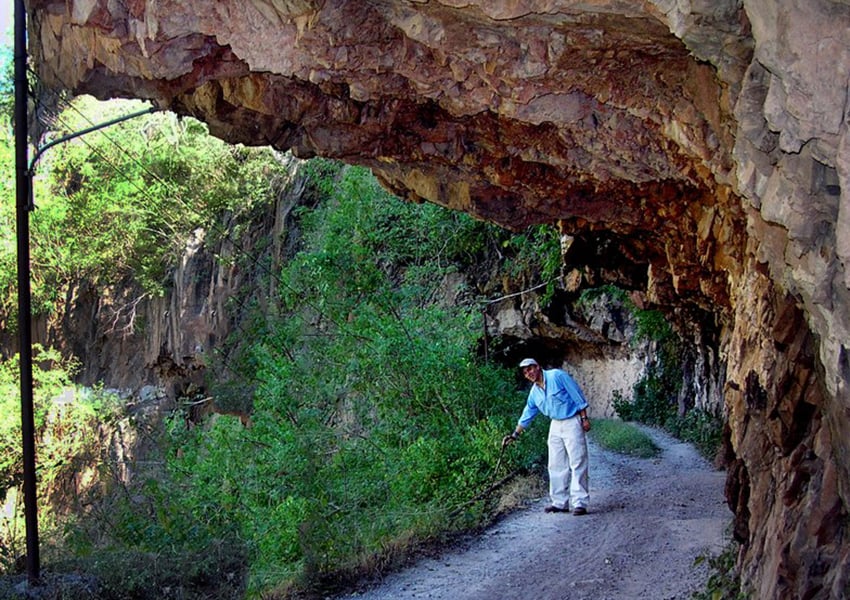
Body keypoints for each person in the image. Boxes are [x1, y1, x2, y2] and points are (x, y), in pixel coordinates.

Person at [502, 358, 591, 515]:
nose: (528, 373)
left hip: (572, 420)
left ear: (537, 366)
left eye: (530, 369)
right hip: (555, 424)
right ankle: (559, 502)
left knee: (577, 461)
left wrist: (584, 418)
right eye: (525, 372)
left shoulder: (557, 376)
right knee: (555, 464)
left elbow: (576, 394)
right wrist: (515, 434)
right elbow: (528, 413)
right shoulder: (534, 393)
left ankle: (580, 502)